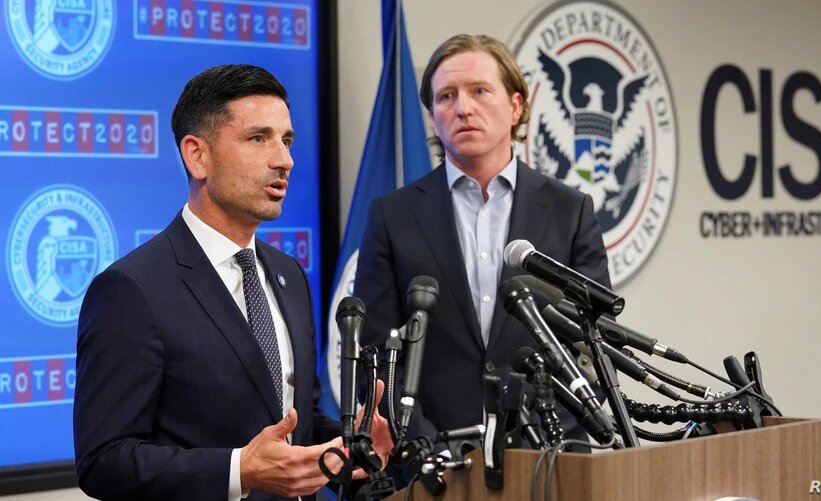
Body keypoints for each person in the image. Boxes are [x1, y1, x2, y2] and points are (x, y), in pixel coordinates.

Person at [74, 64, 392, 501]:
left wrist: (349, 445)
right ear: (197, 155)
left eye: (287, 140)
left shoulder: (289, 275)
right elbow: (103, 460)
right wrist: (238, 470)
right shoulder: (132, 290)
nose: (284, 159)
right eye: (258, 138)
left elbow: (296, 417)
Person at [354, 34, 612, 455]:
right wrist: (427, 447)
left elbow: (590, 346)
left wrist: (548, 440)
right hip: (432, 465)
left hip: (552, 459)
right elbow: (377, 356)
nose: (463, 108)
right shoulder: (392, 216)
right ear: (433, 116)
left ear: (515, 106)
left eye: (479, 91)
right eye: (446, 96)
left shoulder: (570, 210)